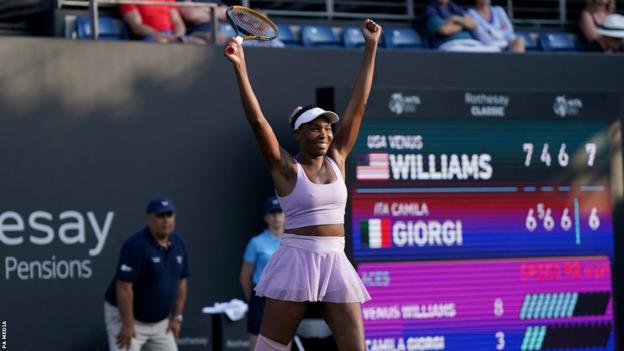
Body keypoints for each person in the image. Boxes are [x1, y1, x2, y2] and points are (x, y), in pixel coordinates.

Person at [224, 18, 381, 351]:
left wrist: (371, 47)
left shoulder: (337, 157)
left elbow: (360, 103)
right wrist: (240, 66)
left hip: (335, 261)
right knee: (269, 348)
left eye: (327, 126)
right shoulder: (285, 168)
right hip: (297, 260)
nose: (324, 132)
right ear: (298, 133)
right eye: (314, 127)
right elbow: (257, 121)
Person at [104, 197, 190, 351]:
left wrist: (177, 317)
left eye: (169, 215)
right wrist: (128, 324)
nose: (166, 220)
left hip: (160, 324)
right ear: (148, 219)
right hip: (127, 319)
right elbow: (124, 286)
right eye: (160, 216)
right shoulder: (136, 245)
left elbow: (181, 281)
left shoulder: (179, 243)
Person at [239, 196, 290, 351]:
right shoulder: (256, 243)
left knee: (284, 346)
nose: (276, 217)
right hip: (261, 299)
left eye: (279, 212)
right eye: (272, 213)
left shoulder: (293, 241)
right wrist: (256, 299)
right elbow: (244, 277)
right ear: (266, 217)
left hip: (285, 299)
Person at [422, 0, 500, 52]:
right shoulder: (430, 11)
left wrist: (455, 19)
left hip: (471, 43)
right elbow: (445, 30)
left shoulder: (454, 8)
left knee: (495, 50)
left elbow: (473, 24)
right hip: (450, 45)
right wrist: (464, 24)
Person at [120, 0, 188, 43]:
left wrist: (178, 36)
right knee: (162, 42)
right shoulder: (128, 1)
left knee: (196, 42)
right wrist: (163, 36)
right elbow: (137, 27)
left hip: (172, 34)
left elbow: (177, 21)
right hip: (149, 36)